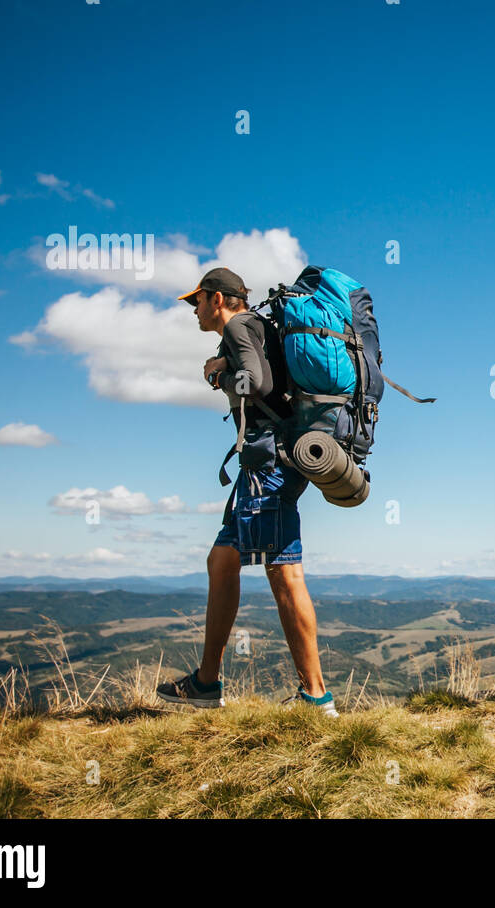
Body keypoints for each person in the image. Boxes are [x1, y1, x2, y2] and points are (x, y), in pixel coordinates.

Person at [155, 267, 338, 715]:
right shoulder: (253, 327)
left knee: (284, 571)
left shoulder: (238, 326)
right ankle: (206, 682)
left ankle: (316, 697)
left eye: (196, 300)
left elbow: (257, 383)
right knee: (222, 561)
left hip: (270, 462)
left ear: (217, 298)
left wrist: (218, 373)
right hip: (265, 460)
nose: (194, 310)